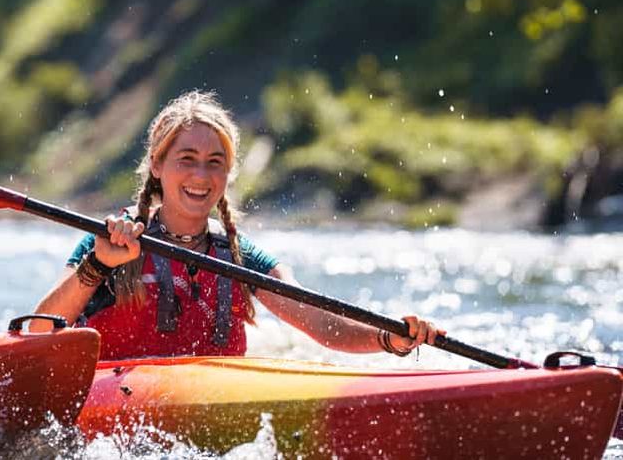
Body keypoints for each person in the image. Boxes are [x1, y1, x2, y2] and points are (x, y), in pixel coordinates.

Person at [31, 90, 445, 359]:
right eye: (186, 159)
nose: (201, 176)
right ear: (157, 165)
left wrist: (390, 337)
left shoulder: (242, 257)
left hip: (209, 403)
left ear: (228, 173)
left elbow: (320, 322)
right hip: (114, 398)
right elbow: (39, 329)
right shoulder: (114, 238)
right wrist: (98, 265)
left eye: (216, 163)